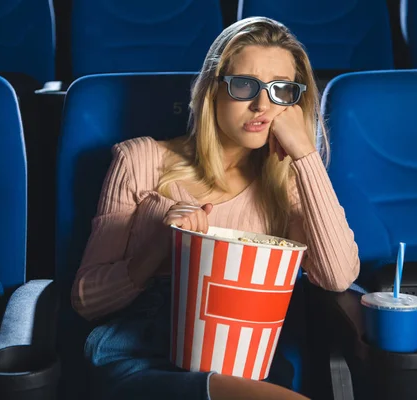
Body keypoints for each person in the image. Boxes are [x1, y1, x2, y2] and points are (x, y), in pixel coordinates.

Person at [71, 17, 360, 400]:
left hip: (246, 356)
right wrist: (160, 243)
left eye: (281, 91)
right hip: (140, 351)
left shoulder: (288, 183)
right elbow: (86, 301)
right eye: (245, 86)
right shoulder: (140, 159)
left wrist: (305, 155)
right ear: (214, 90)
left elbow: (338, 276)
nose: (262, 105)